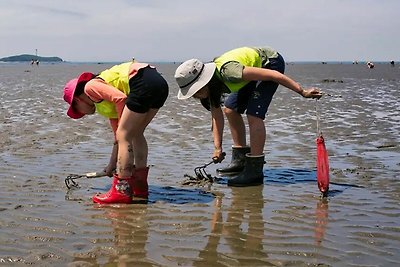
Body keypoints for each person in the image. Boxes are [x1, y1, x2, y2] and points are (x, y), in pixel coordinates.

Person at [174, 46, 322, 187]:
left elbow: (274, 76)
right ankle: (240, 161)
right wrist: (217, 148)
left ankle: (254, 171)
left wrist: (302, 92)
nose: (196, 96)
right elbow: (216, 118)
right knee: (230, 109)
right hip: (249, 72)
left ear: (203, 83)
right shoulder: (213, 86)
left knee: (254, 114)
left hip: (270, 64)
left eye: (196, 92)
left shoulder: (229, 73)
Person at [63, 61, 169, 204]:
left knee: (125, 134)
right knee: (135, 134)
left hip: (141, 80)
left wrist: (122, 130)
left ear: (77, 99)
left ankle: (121, 190)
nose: (83, 114)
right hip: (159, 84)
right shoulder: (105, 103)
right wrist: (111, 165)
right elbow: (117, 140)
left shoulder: (91, 87)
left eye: (77, 109)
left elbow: (121, 99)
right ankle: (140, 187)